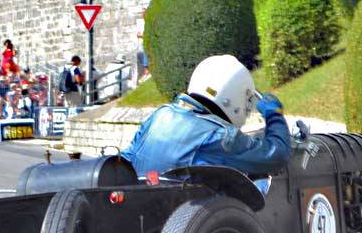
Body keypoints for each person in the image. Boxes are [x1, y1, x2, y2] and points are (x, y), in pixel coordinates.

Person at [120, 55, 290, 178]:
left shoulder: (160, 114)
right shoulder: (221, 137)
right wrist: (275, 115)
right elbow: (276, 156)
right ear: (234, 96)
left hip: (142, 212)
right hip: (189, 218)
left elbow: (128, 157)